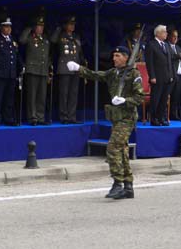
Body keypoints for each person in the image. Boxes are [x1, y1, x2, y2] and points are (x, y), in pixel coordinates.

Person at [67, 46, 144, 199]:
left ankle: (117, 183)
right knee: (122, 150)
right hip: (116, 117)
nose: (114, 58)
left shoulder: (133, 74)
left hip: (127, 117)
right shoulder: (113, 73)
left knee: (113, 147)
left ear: (125, 57)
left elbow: (140, 97)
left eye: (117, 56)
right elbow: (95, 75)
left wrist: (125, 100)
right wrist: (78, 69)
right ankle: (128, 186)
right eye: (114, 55)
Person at [51, 16, 85, 124]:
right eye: (70, 24)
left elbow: (79, 52)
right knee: (64, 93)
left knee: (73, 93)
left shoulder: (76, 36)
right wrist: (59, 29)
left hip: (75, 68)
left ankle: (72, 116)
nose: (72, 26)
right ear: (65, 25)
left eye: (73, 24)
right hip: (64, 67)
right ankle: (64, 116)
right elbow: (53, 40)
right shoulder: (61, 36)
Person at [0, 18, 20, 127]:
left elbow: (15, 56)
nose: (8, 29)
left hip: (11, 73)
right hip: (0, 73)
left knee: (9, 98)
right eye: (6, 26)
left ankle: (8, 118)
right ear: (1, 27)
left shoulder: (12, 39)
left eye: (9, 26)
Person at [19, 17, 51, 126]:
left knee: (42, 96)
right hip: (32, 70)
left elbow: (47, 55)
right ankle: (32, 117)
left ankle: (40, 117)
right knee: (32, 96)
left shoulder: (45, 39)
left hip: (43, 71)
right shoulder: (30, 37)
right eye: (38, 26)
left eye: (42, 26)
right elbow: (21, 40)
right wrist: (29, 29)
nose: (41, 28)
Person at [144, 25, 174, 126]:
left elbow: (169, 61)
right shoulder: (151, 45)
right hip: (157, 77)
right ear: (159, 33)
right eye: (164, 32)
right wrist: (152, 76)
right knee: (156, 99)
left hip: (167, 76)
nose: (166, 34)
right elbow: (150, 62)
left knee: (164, 99)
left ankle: (161, 118)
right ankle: (154, 118)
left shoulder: (166, 45)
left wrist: (171, 75)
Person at [167, 29, 181, 121]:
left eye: (177, 37)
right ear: (169, 36)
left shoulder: (178, 47)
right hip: (170, 74)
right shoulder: (167, 46)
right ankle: (166, 114)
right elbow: (169, 57)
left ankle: (174, 113)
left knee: (176, 96)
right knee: (168, 95)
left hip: (179, 74)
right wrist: (177, 56)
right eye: (173, 36)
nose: (175, 38)